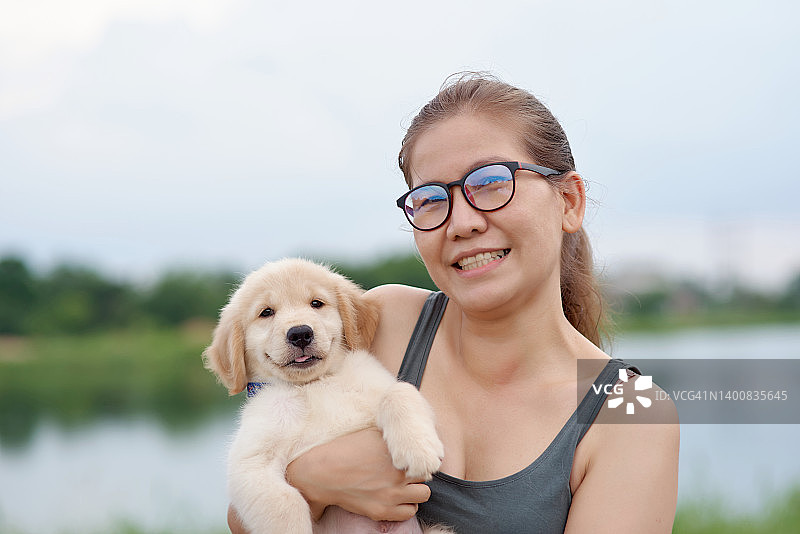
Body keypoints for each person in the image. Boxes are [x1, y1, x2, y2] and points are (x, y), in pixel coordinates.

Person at [229, 73, 679, 533]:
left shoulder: (636, 410)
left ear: (568, 201)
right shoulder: (385, 321)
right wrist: (313, 480)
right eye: (430, 199)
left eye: (489, 182)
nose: (461, 223)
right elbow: (243, 516)